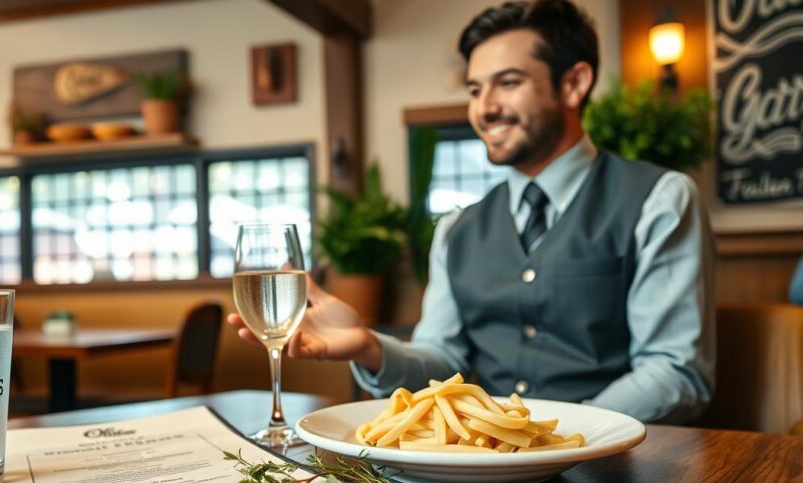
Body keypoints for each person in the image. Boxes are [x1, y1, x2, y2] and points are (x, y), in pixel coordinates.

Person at [230, 0, 715, 424]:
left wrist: (568, 437)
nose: (485, 108)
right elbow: (445, 361)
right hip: (480, 478)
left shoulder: (660, 199)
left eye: (507, 83)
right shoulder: (457, 229)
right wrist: (369, 347)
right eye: (475, 89)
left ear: (574, 83)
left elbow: (673, 371)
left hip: (624, 475)